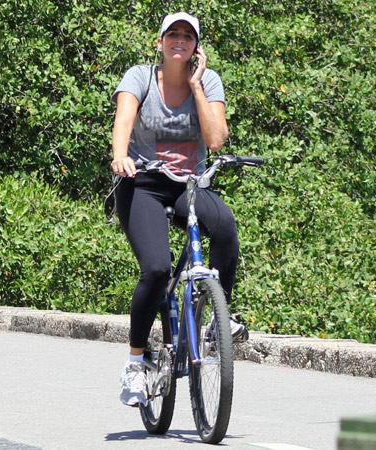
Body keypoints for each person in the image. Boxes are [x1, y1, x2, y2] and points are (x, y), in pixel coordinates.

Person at [111, 12, 248, 407]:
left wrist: (196, 87)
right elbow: (123, 120)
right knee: (156, 269)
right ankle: (136, 363)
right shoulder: (139, 76)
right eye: (173, 34)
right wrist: (120, 156)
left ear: (195, 48)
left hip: (189, 185)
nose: (180, 41)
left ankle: (212, 325)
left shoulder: (208, 81)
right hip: (143, 184)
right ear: (160, 42)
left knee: (224, 229)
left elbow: (217, 139)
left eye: (188, 37)